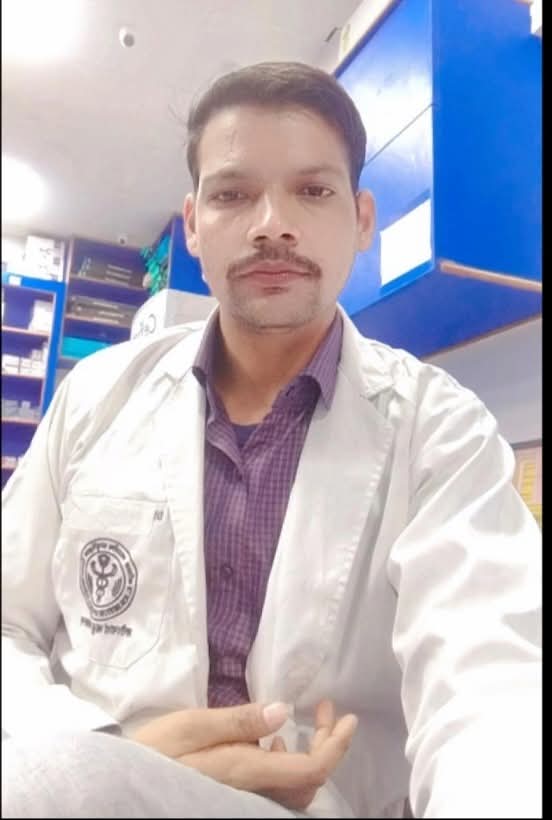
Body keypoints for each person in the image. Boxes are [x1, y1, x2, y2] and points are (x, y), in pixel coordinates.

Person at [1, 61, 541, 819]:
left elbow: (491, 683)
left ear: (361, 220)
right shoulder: (94, 397)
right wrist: (101, 752)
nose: (271, 225)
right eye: (232, 194)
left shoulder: (442, 430)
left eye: (312, 191)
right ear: (193, 224)